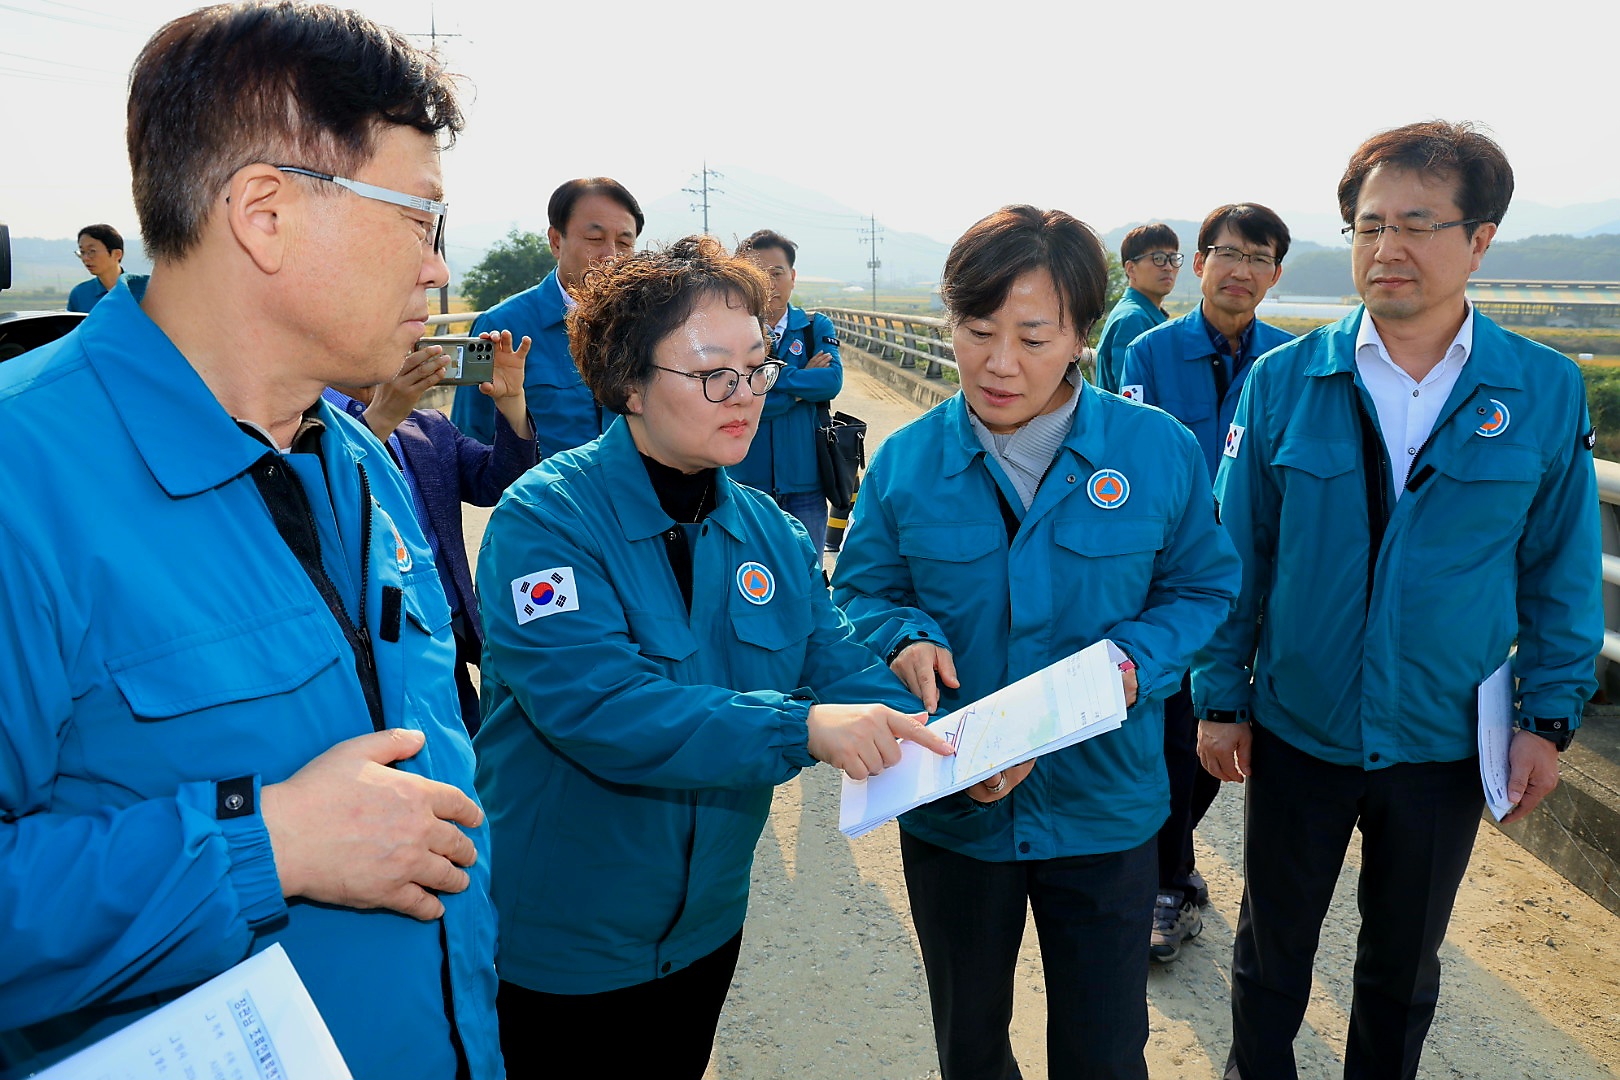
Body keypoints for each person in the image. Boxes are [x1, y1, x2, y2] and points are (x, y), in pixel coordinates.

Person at [0, 5, 501, 1077]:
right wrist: (263, 841)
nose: (437, 272)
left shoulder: (357, 458)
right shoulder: (21, 478)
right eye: (419, 221)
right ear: (265, 214)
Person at [472, 234, 956, 1078]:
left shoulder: (766, 526)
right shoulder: (545, 519)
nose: (744, 396)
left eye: (757, 369)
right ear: (626, 379)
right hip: (566, 940)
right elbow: (601, 707)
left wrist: (949, 740)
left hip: (705, 926)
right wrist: (803, 728)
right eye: (710, 374)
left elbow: (833, 658)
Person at [1194, 120, 1602, 1080]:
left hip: (1442, 738)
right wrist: (1221, 694)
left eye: (1419, 223)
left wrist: (1546, 716)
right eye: (1369, 225)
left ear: (1480, 239)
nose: (1388, 249)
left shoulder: (1542, 391)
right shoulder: (1285, 380)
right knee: (1271, 955)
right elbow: (1235, 553)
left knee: (1403, 968)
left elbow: (1560, 573)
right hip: (1301, 722)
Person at [832, 205, 1242, 1080]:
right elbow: (862, 588)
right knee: (970, 1044)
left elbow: (1205, 584)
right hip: (954, 810)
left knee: (1103, 1049)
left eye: (1032, 335)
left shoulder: (1156, 451)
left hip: (1104, 808)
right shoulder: (907, 462)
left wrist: (1133, 664)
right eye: (977, 331)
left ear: (1082, 335)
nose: (1000, 364)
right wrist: (901, 636)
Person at [1117, 202, 1293, 964]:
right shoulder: (1148, 355)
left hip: (1256, 584)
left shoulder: (1291, 363)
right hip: (1170, 584)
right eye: (1228, 253)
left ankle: (1171, 866)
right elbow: (1125, 463)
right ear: (1199, 264)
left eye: (1259, 258)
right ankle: (1169, 878)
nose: (1241, 270)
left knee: (1221, 738)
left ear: (1276, 274)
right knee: (1167, 731)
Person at [326, 329, 537, 735]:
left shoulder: (428, 427)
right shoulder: (304, 432)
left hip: (447, 635)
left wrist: (512, 405)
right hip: (370, 652)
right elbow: (328, 503)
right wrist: (381, 419)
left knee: (466, 756)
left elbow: (499, 482)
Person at [451, 176, 644, 452]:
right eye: (595, 238)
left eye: (624, 243)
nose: (611, 256)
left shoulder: (648, 325)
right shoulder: (498, 326)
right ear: (556, 241)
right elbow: (468, 441)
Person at [732, 228, 843, 552]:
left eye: (776, 273)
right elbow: (734, 398)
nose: (768, 284)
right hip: (744, 480)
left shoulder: (813, 326)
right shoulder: (732, 332)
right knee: (746, 577)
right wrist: (800, 389)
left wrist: (766, 378)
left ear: (792, 277)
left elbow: (831, 383)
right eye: (757, 274)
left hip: (806, 480)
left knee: (806, 574)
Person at [1094, 222, 1179, 394]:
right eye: (1159, 259)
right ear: (1131, 269)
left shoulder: (1147, 315)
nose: (1168, 267)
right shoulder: (1132, 319)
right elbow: (1131, 399)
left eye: (1173, 259)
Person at [67, 223, 126, 313]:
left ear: (117, 254)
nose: (85, 258)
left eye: (92, 251)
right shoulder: (80, 294)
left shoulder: (142, 289)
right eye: (82, 252)